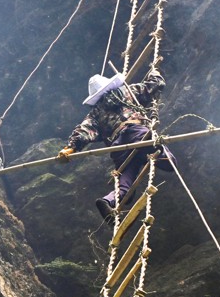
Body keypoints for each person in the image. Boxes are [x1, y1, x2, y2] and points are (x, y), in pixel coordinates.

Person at [57, 65, 174, 222]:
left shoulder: (94, 114)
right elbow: (154, 86)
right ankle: (150, 155)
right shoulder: (126, 91)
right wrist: (155, 73)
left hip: (119, 147)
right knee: (169, 162)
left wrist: (70, 148)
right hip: (136, 133)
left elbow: (83, 132)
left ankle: (107, 201)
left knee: (126, 188)